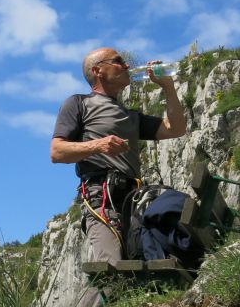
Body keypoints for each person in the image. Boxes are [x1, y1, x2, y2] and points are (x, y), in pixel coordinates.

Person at [50, 47, 187, 267]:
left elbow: (176, 129)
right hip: (102, 199)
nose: (127, 66)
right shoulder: (79, 103)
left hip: (133, 203)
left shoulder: (131, 116)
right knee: (113, 267)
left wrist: (168, 87)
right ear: (98, 71)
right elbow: (57, 152)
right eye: (118, 61)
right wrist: (99, 145)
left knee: (136, 268)